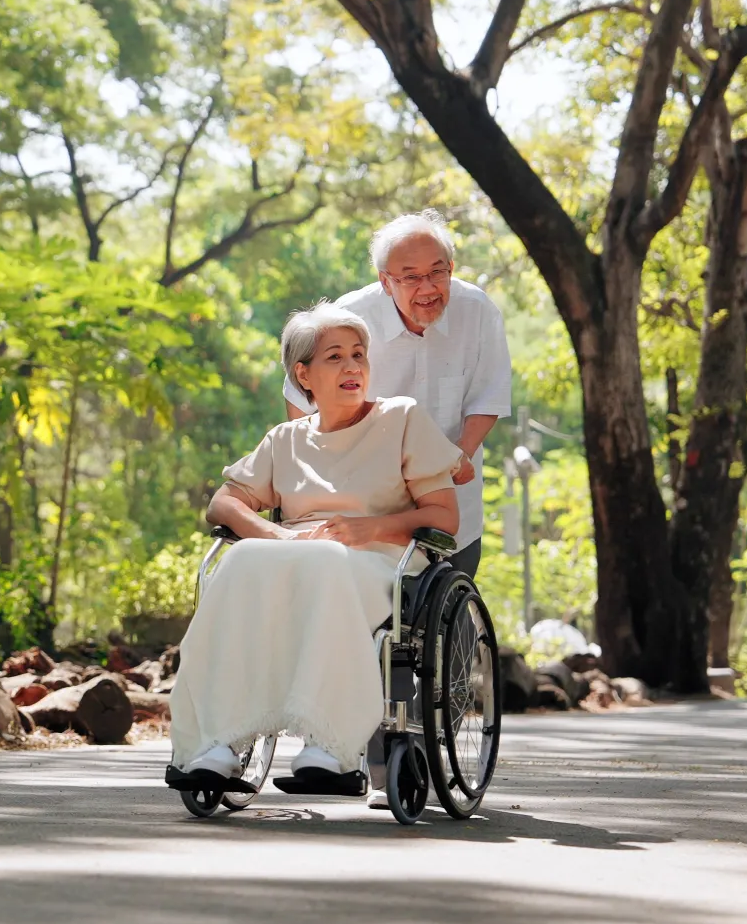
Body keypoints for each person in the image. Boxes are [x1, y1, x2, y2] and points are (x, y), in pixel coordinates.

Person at [169, 302, 462, 791]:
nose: (352, 367)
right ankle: (215, 742)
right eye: (335, 358)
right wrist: (278, 534)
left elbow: (443, 517)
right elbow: (224, 504)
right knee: (240, 558)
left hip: (378, 558)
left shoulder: (402, 418)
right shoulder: (284, 439)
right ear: (303, 374)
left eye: (359, 355)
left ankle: (330, 745)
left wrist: (373, 529)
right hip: (296, 552)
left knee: (324, 561)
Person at [282, 211, 511, 578]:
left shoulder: (478, 311)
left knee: (451, 612)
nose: (428, 288)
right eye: (411, 278)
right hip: (366, 503)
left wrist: (461, 453)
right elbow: (301, 399)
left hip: (450, 503)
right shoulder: (348, 317)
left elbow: (489, 396)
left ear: (452, 268)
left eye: (438, 272)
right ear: (386, 282)